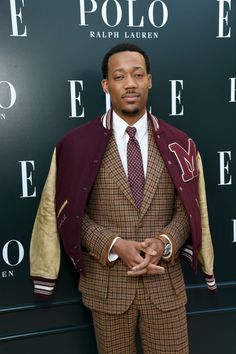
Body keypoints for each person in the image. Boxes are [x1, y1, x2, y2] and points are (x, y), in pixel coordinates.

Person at [30, 43, 216, 354]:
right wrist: (114, 245)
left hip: (165, 287)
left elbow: (189, 210)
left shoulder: (180, 143)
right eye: (119, 76)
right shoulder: (75, 145)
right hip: (107, 289)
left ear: (150, 80)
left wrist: (164, 242)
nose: (130, 84)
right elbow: (69, 215)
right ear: (106, 85)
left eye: (137, 74)